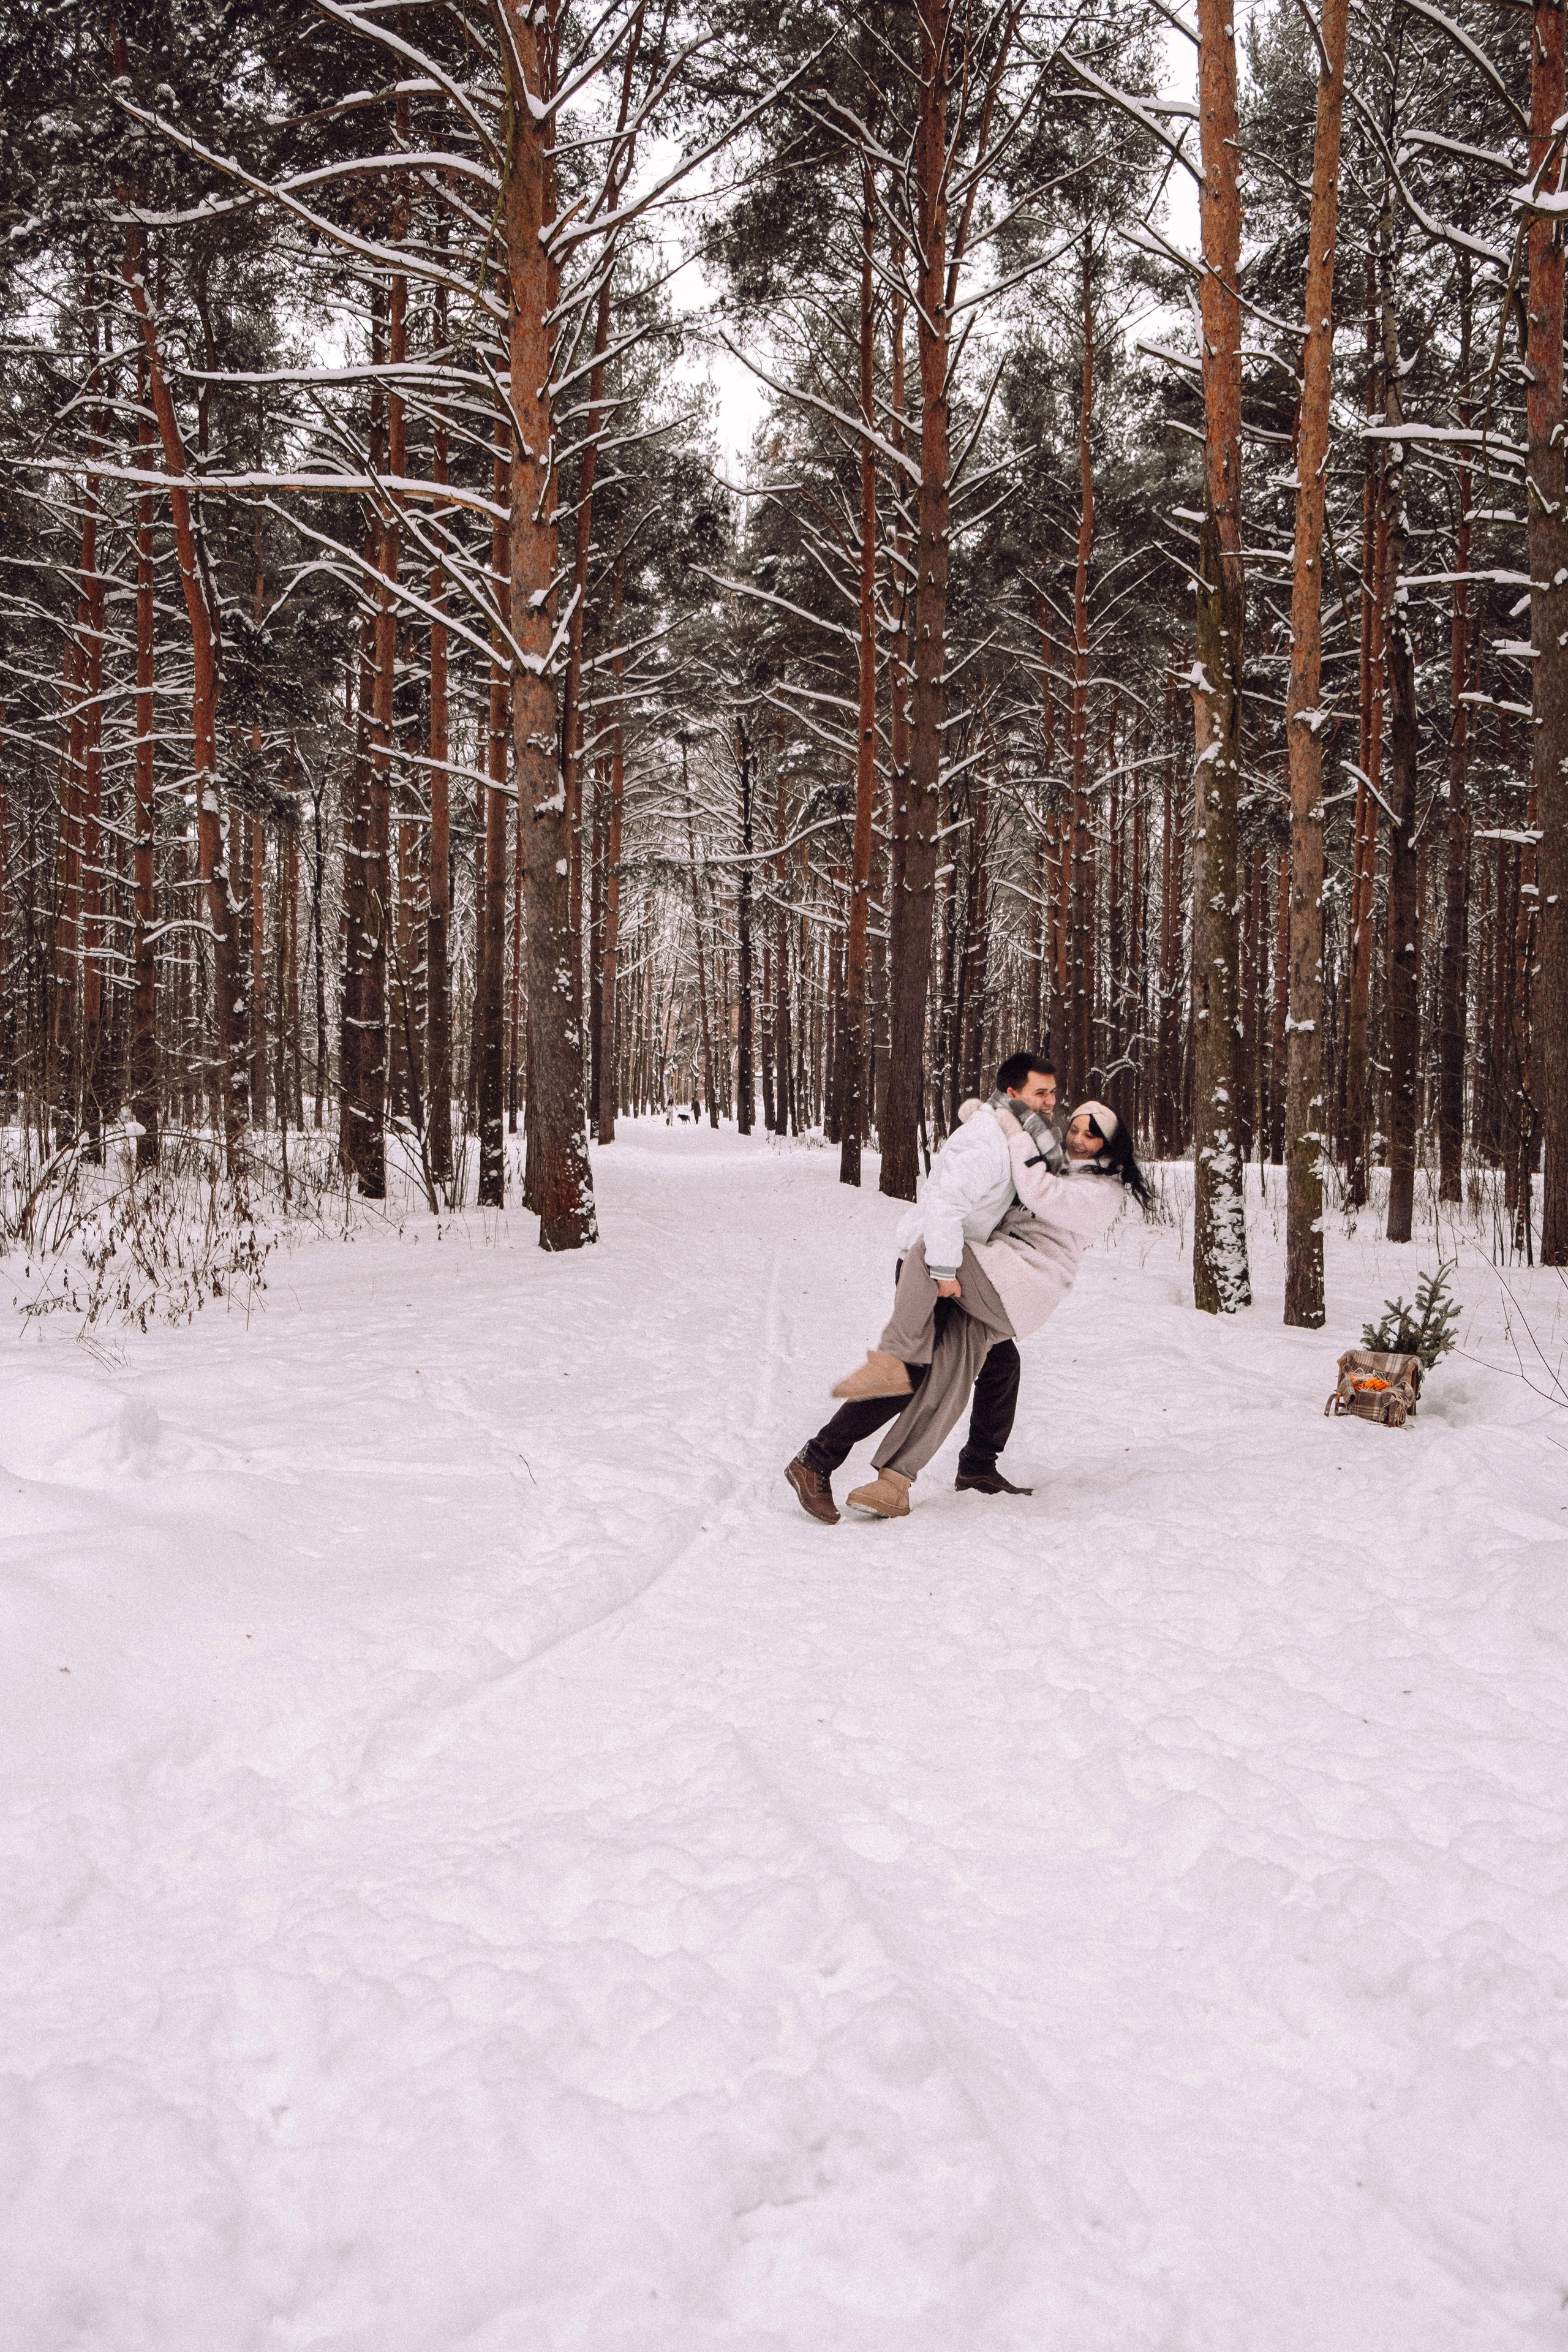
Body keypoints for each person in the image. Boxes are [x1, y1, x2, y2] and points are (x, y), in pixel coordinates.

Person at [832, 1099, 1150, 1518]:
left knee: (934, 1247)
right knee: (952, 1370)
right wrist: (988, 1115)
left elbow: (1038, 1189)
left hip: (1023, 1281)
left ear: (1111, 1144)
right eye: (1074, 1128)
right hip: (1000, 1276)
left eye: (1091, 1134)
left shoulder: (1102, 1192)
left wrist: (1011, 1128)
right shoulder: (1062, 1162)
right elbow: (1016, 1148)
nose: (1077, 1140)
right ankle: (895, 1482)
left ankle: (899, 1351)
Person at [785, 1053, 1062, 1526]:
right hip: (936, 1267)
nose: (1051, 1102)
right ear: (1012, 1094)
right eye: (1041, 1093)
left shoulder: (1014, 1137)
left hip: (960, 1268)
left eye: (1053, 1093)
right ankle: (815, 1461)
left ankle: (978, 1467)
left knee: (1001, 1364)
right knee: (907, 1375)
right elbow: (944, 1206)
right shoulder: (984, 1142)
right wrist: (944, 1271)